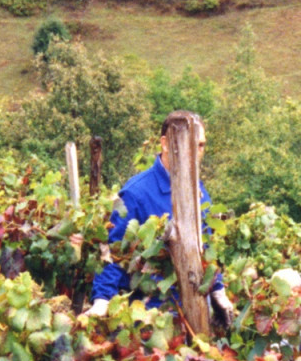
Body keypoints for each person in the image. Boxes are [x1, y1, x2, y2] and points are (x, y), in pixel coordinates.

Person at [87, 110, 233, 322]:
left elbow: (206, 248)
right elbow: (113, 252)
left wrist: (218, 289)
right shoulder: (135, 193)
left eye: (200, 145)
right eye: (188, 144)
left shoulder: (199, 190)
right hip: (152, 315)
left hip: (196, 312)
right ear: (165, 144)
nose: (196, 152)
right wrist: (102, 300)